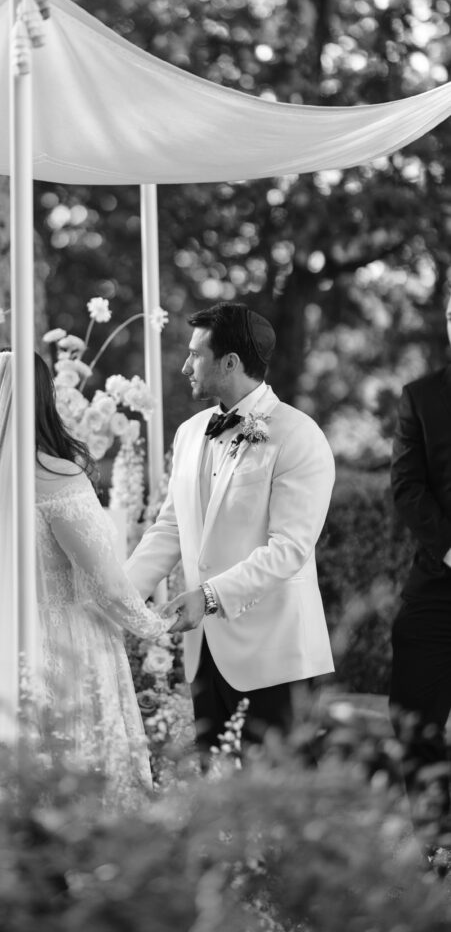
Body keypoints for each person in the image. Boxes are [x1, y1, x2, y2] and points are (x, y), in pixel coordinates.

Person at [0, 351, 172, 806]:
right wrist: (155, 626)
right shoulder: (55, 474)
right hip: (66, 643)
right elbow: (105, 580)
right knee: (78, 774)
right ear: (45, 398)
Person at [125, 302, 335, 762]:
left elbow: (289, 549)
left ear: (230, 363)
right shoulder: (188, 433)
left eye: (195, 354)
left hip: (276, 658)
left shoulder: (300, 436)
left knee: (280, 803)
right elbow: (170, 526)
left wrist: (209, 595)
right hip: (205, 656)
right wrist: (120, 596)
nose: (185, 365)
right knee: (216, 801)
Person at [390, 288, 451, 875]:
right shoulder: (421, 397)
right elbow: (406, 486)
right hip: (440, 578)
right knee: (412, 714)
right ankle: (439, 851)